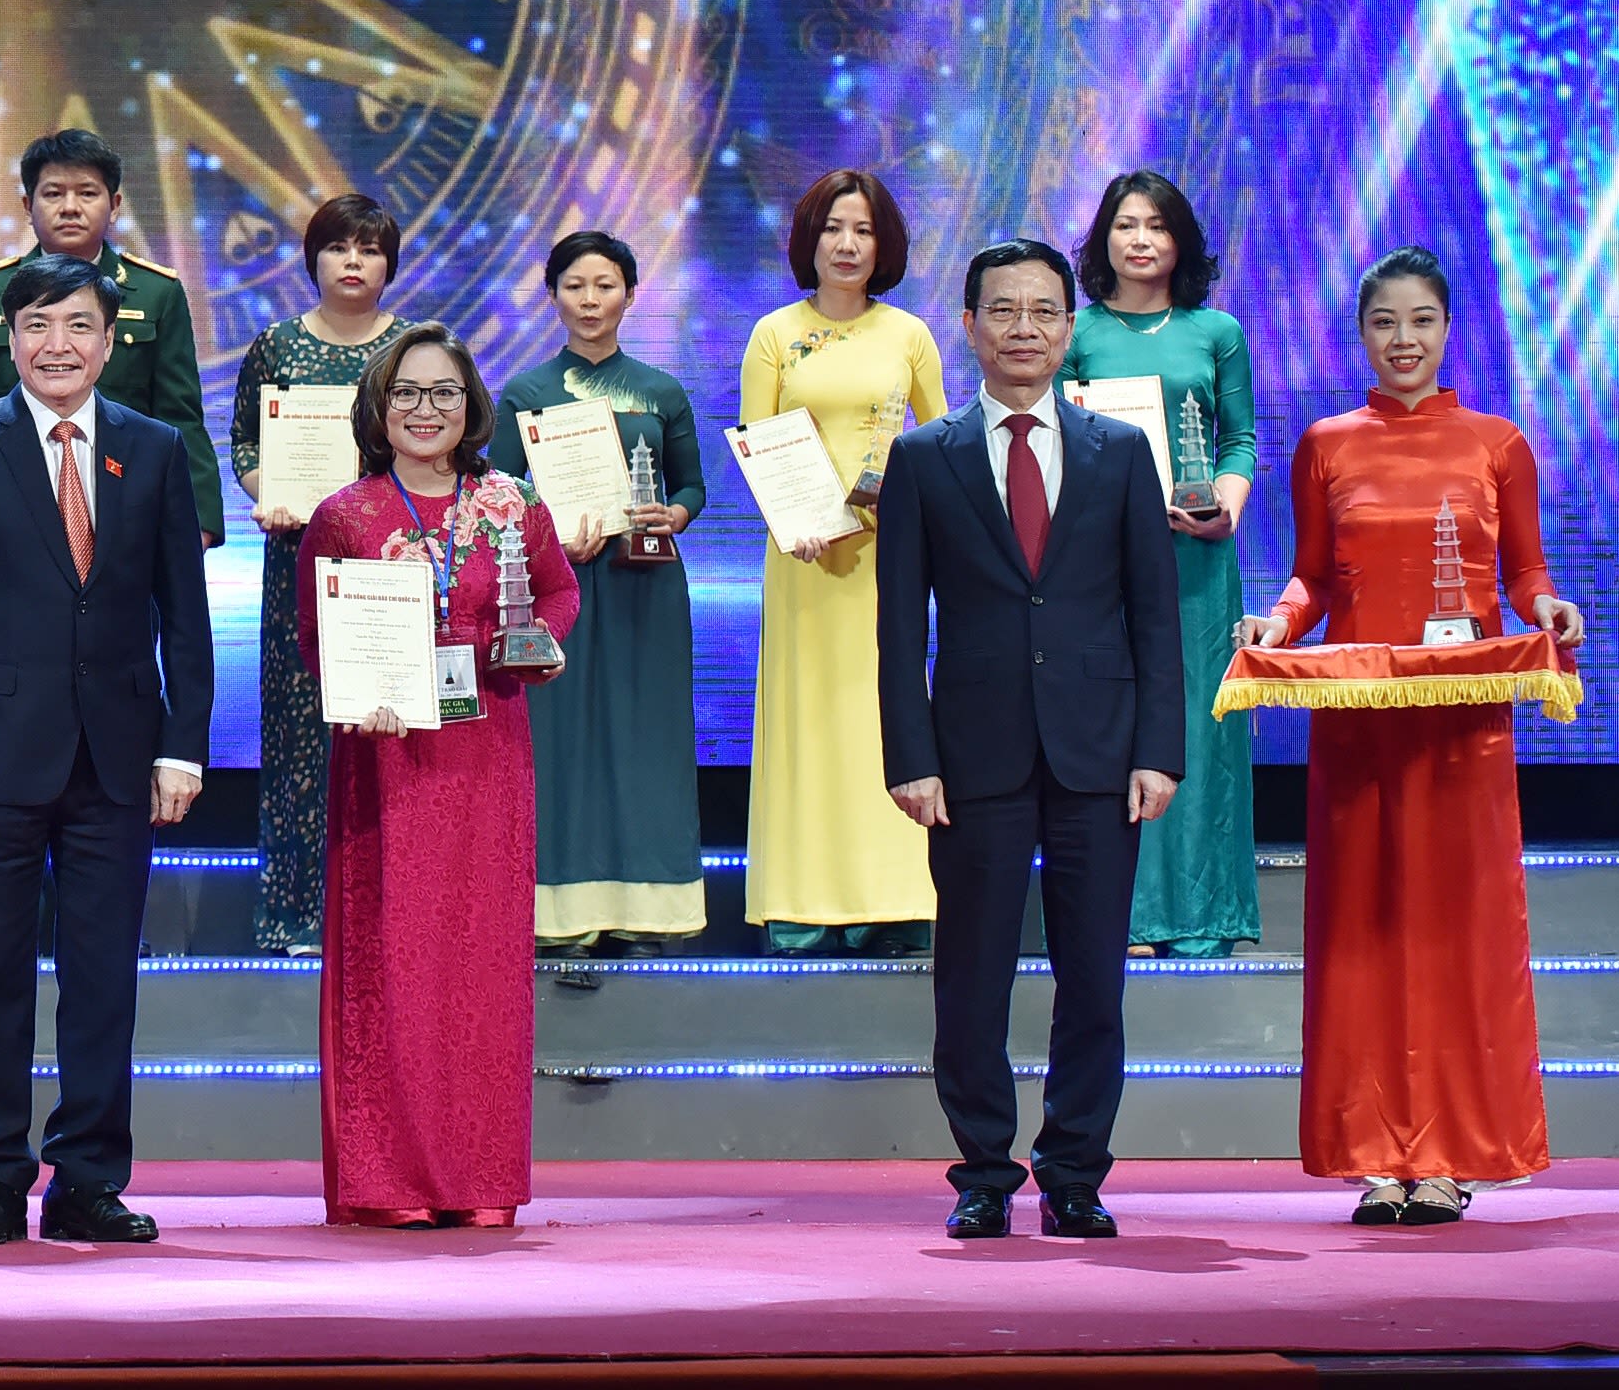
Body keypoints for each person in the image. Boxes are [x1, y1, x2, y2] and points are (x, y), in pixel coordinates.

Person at [1240, 246, 1582, 1226]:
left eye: (1421, 321)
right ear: (1361, 333)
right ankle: (1378, 1157)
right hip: (1360, 729)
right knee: (1365, 933)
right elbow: (1312, 579)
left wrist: (1547, 606)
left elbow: (1523, 573)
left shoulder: (1497, 443)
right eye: (1384, 322)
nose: (1403, 340)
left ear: (1447, 330)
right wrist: (1278, 623)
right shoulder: (1326, 444)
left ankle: (1449, 1155)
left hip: (1461, 731)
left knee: (1456, 933)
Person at [0, 252, 217, 1248]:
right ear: (9, 338)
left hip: (118, 757)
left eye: (78, 325)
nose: (58, 345)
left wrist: (183, 747)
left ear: (110, 340)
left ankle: (87, 1178)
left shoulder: (154, 450)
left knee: (103, 980)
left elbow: (185, 616)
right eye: (37, 325)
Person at [876, 236, 1182, 1240]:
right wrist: (911, 757)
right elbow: (898, 626)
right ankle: (982, 1174)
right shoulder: (924, 457)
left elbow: (1154, 615)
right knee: (971, 976)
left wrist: (1159, 748)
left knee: (1094, 977)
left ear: (1068, 327)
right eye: (1002, 310)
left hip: (1100, 749)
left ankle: (1076, 1175)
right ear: (968, 326)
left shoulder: (1119, 451)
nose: (1023, 328)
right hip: (973, 754)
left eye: (1043, 311)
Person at [298, 327, 580, 1226]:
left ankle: (479, 1182)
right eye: (407, 393)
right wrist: (355, 694)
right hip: (386, 763)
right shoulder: (346, 514)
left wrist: (539, 643)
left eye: (444, 393)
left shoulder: (512, 502)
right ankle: (390, 1184)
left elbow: (559, 589)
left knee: (481, 966)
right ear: (379, 409)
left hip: (489, 755)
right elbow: (314, 633)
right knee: (392, 960)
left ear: (471, 406)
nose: (426, 410)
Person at [741, 170, 949, 953]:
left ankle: (892, 901)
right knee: (807, 721)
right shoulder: (773, 334)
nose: (848, 244)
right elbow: (756, 444)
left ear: (883, 242)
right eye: (833, 227)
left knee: (884, 717)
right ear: (810, 239)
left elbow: (942, 441)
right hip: (802, 563)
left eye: (862, 229)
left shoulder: (910, 335)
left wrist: (908, 502)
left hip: (887, 561)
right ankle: (800, 902)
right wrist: (793, 521)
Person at [1060, 171, 1262, 957]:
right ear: (1103, 239)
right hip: (1098, 562)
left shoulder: (1217, 331)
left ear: (1182, 241)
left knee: (1199, 729)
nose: (1141, 239)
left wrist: (1225, 512)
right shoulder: (1076, 333)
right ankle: (1127, 917)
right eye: (1126, 224)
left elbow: (1238, 438)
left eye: (1157, 225)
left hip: (1196, 558)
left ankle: (1203, 916)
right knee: (1111, 727)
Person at [489, 229, 707, 957]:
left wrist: (674, 515)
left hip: (644, 584)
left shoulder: (660, 390)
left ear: (630, 295)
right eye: (575, 286)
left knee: (647, 738)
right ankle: (559, 914)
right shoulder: (525, 393)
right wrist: (548, 533)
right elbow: (501, 495)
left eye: (605, 285)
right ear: (553, 296)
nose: (590, 300)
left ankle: (648, 910)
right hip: (555, 589)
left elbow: (692, 486)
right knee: (558, 741)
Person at [228, 191, 410, 955]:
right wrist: (267, 492)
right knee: (299, 738)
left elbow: (442, 444)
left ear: (389, 265)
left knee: (390, 734)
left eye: (369, 250)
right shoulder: (275, 345)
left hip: (392, 567)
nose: (353, 262)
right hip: (298, 566)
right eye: (339, 248)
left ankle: (387, 915)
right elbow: (244, 443)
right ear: (313, 260)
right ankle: (295, 914)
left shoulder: (414, 349)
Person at [0, 128, 227, 547]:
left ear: (115, 205)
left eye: (87, 193)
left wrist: (197, 520)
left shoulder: (157, 292)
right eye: (53, 194)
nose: (70, 207)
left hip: (130, 501)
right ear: (28, 206)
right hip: (11, 508)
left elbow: (180, 415)